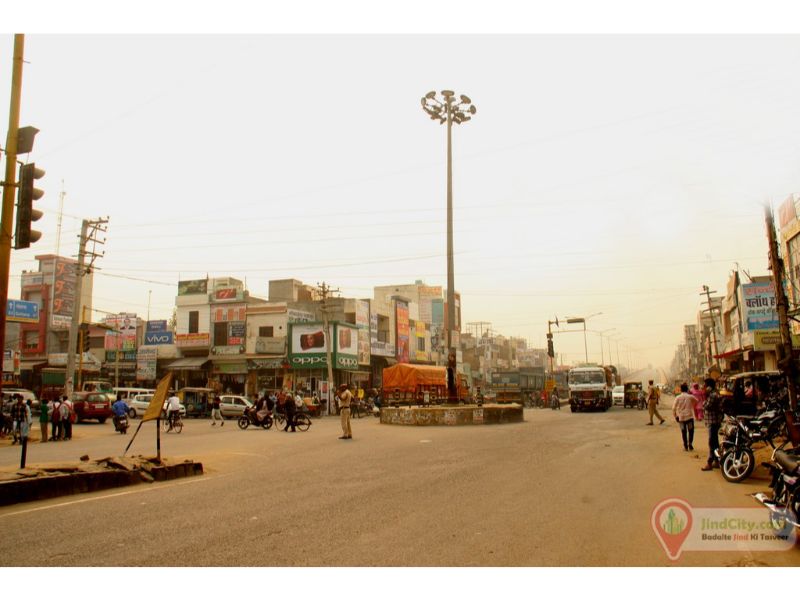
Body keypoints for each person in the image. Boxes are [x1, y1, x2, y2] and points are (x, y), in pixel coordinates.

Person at [701, 378, 723, 471]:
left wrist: (705, 398)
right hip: (713, 420)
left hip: (713, 421)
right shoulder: (714, 394)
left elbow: (706, 406)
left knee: (711, 442)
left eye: (705, 385)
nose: (704, 387)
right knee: (715, 442)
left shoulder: (713, 395)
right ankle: (717, 461)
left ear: (709, 386)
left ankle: (709, 462)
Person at [672, 383, 697, 451]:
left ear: (681, 390)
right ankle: (690, 444)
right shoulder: (690, 397)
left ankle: (685, 446)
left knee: (683, 432)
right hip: (689, 417)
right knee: (691, 431)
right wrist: (692, 405)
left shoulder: (678, 397)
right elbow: (696, 401)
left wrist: (675, 416)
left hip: (681, 417)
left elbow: (673, 408)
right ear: (687, 389)